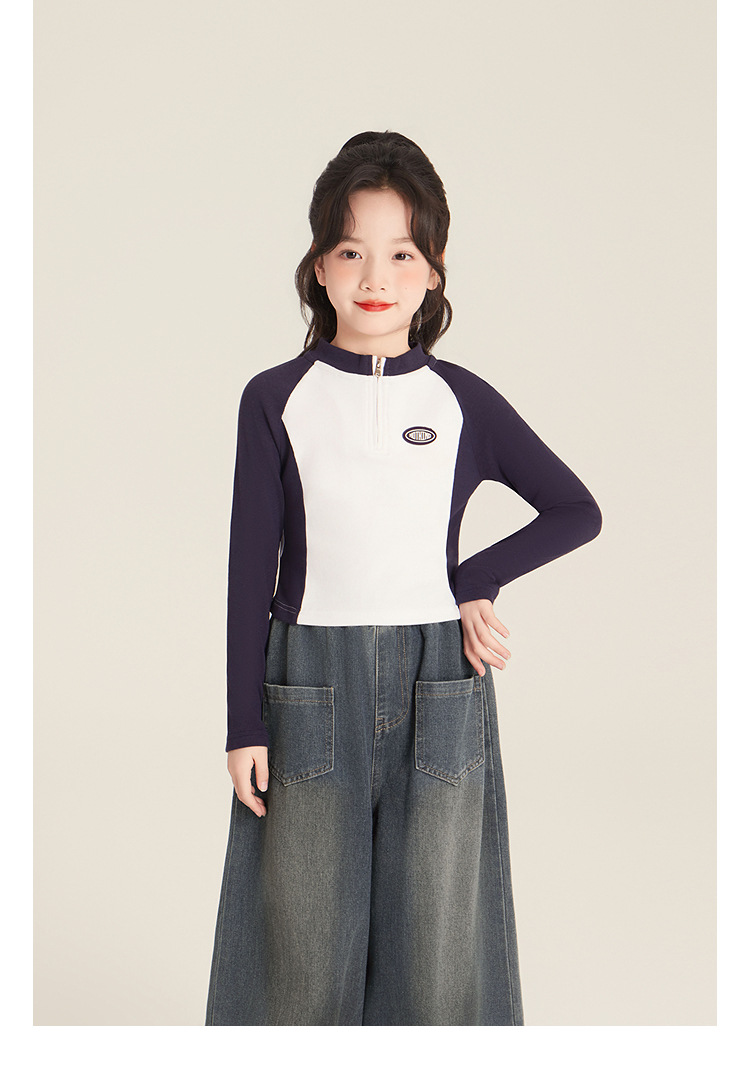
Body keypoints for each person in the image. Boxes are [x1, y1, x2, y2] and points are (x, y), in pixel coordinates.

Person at [204, 130, 602, 1026]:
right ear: (318, 266)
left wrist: (471, 579)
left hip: (441, 680)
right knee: (301, 944)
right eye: (351, 251)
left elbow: (575, 509)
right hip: (307, 681)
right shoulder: (276, 398)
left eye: (401, 254)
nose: (374, 276)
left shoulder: (461, 400)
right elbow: (248, 569)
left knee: (438, 945)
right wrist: (242, 722)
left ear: (434, 272)